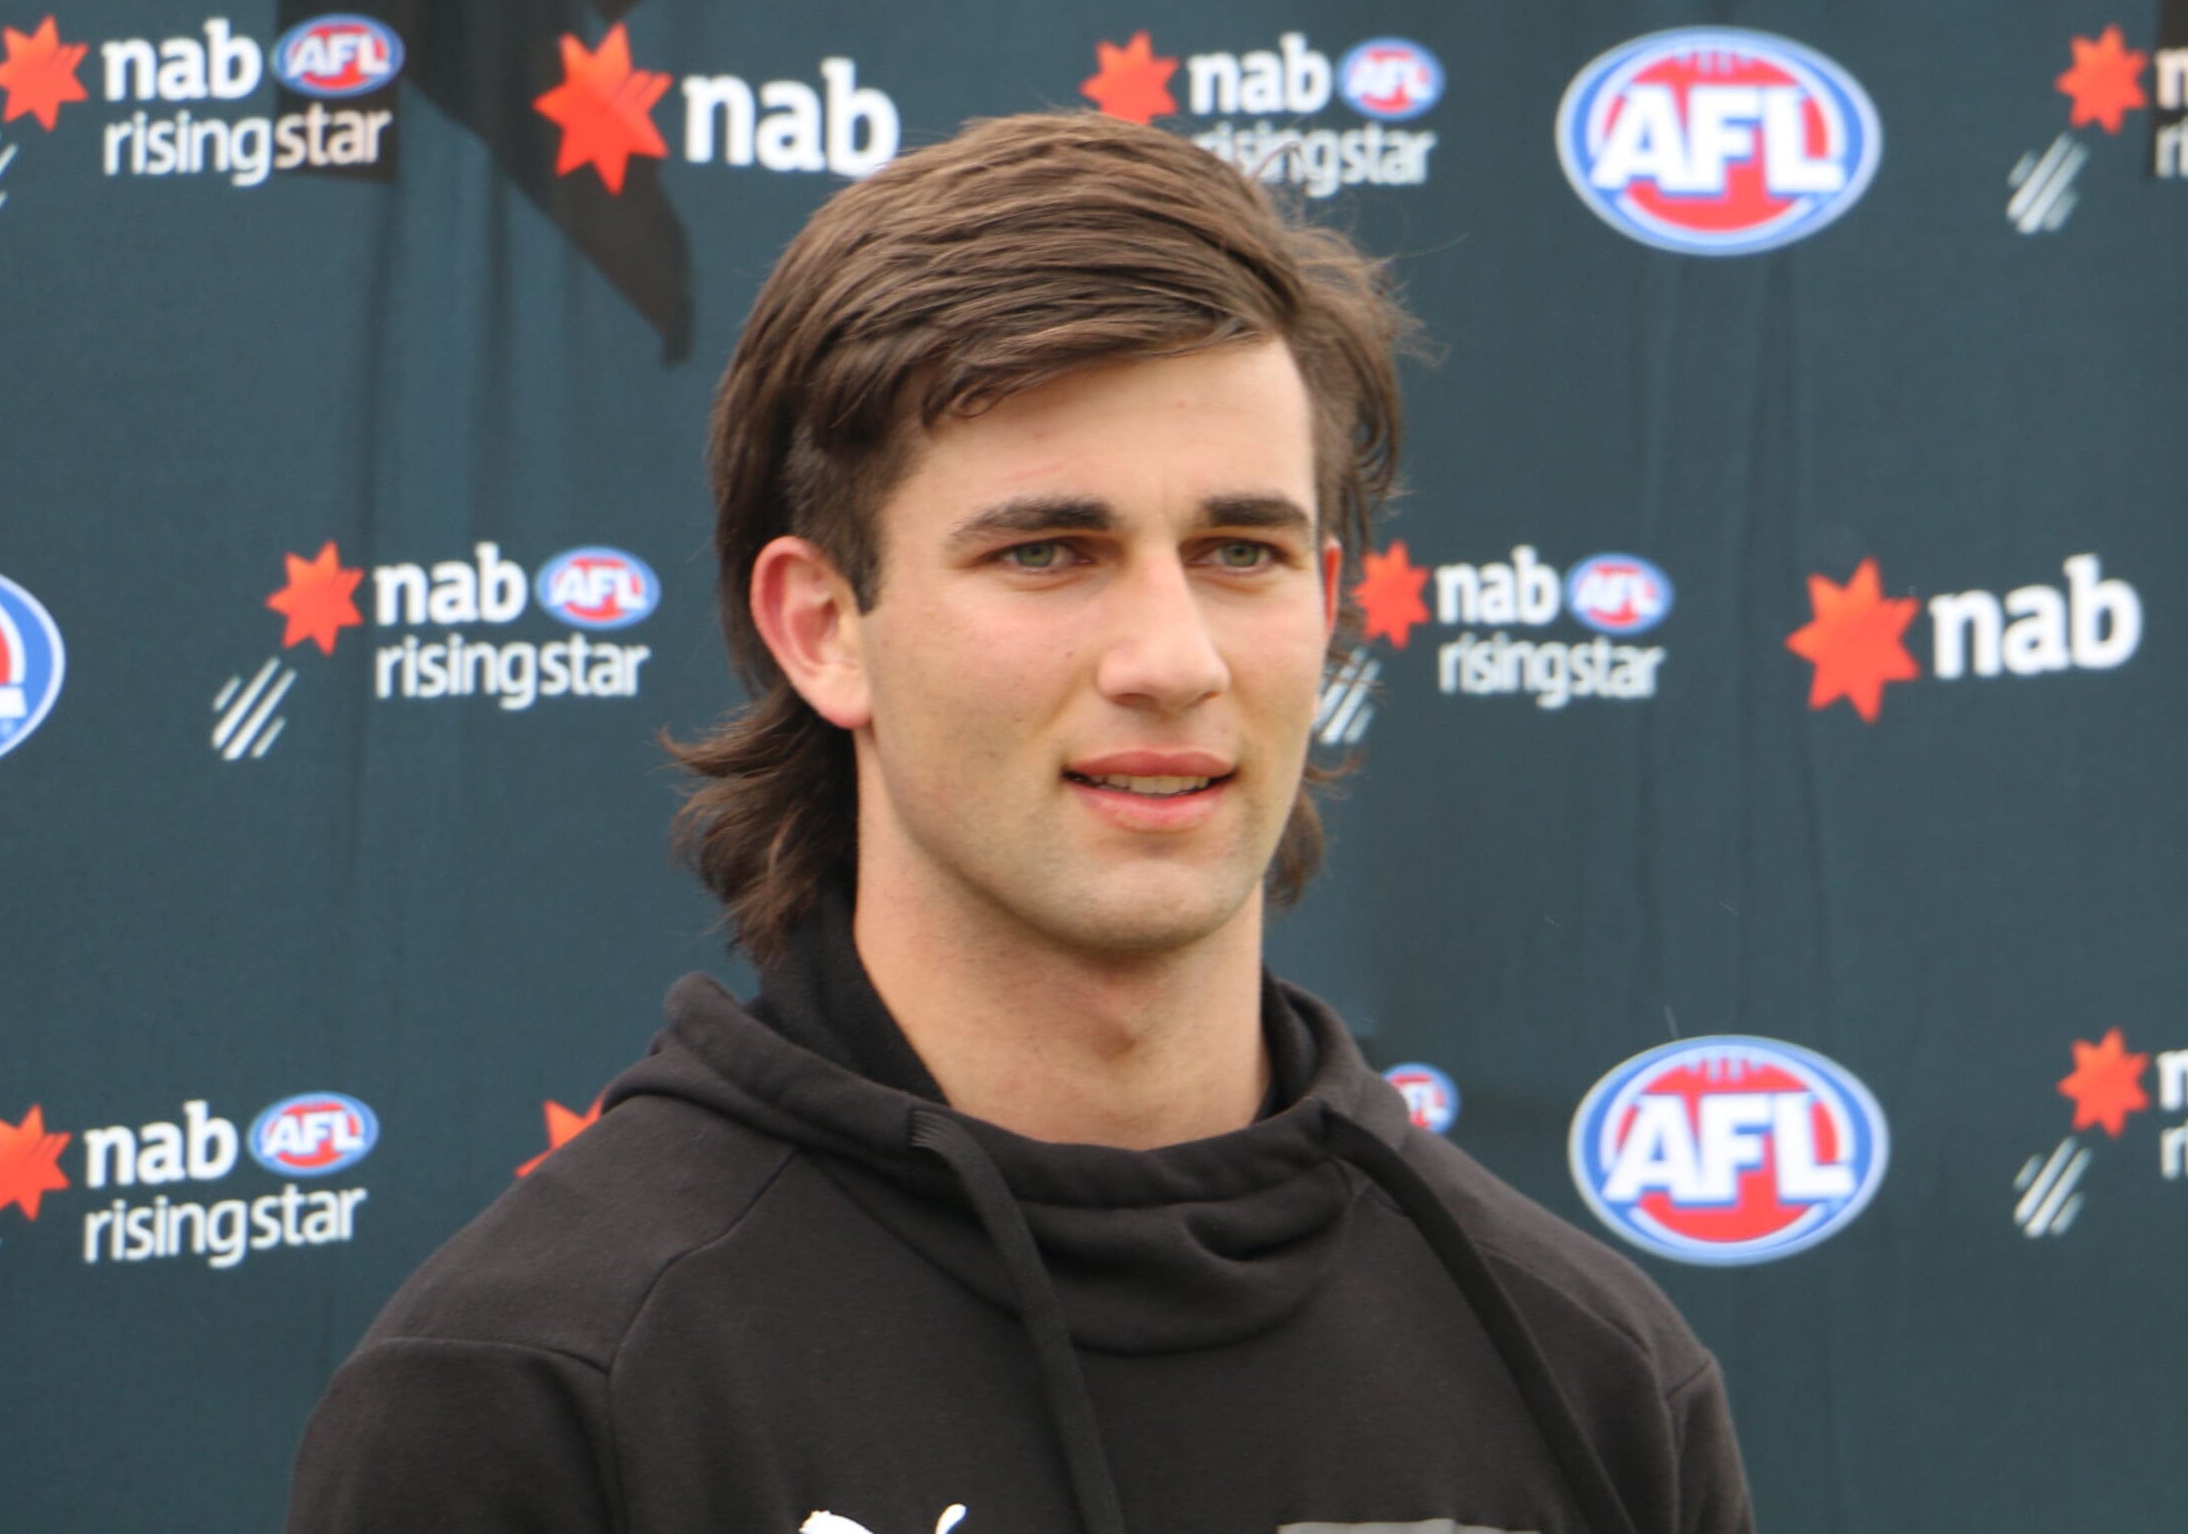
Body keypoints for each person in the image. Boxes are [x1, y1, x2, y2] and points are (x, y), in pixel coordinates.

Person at [286, 111, 1753, 1534]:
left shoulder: (1591, 1370)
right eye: (1050, 551)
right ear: (821, 627)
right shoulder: (541, 1384)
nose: (1172, 657)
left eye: (1242, 550)